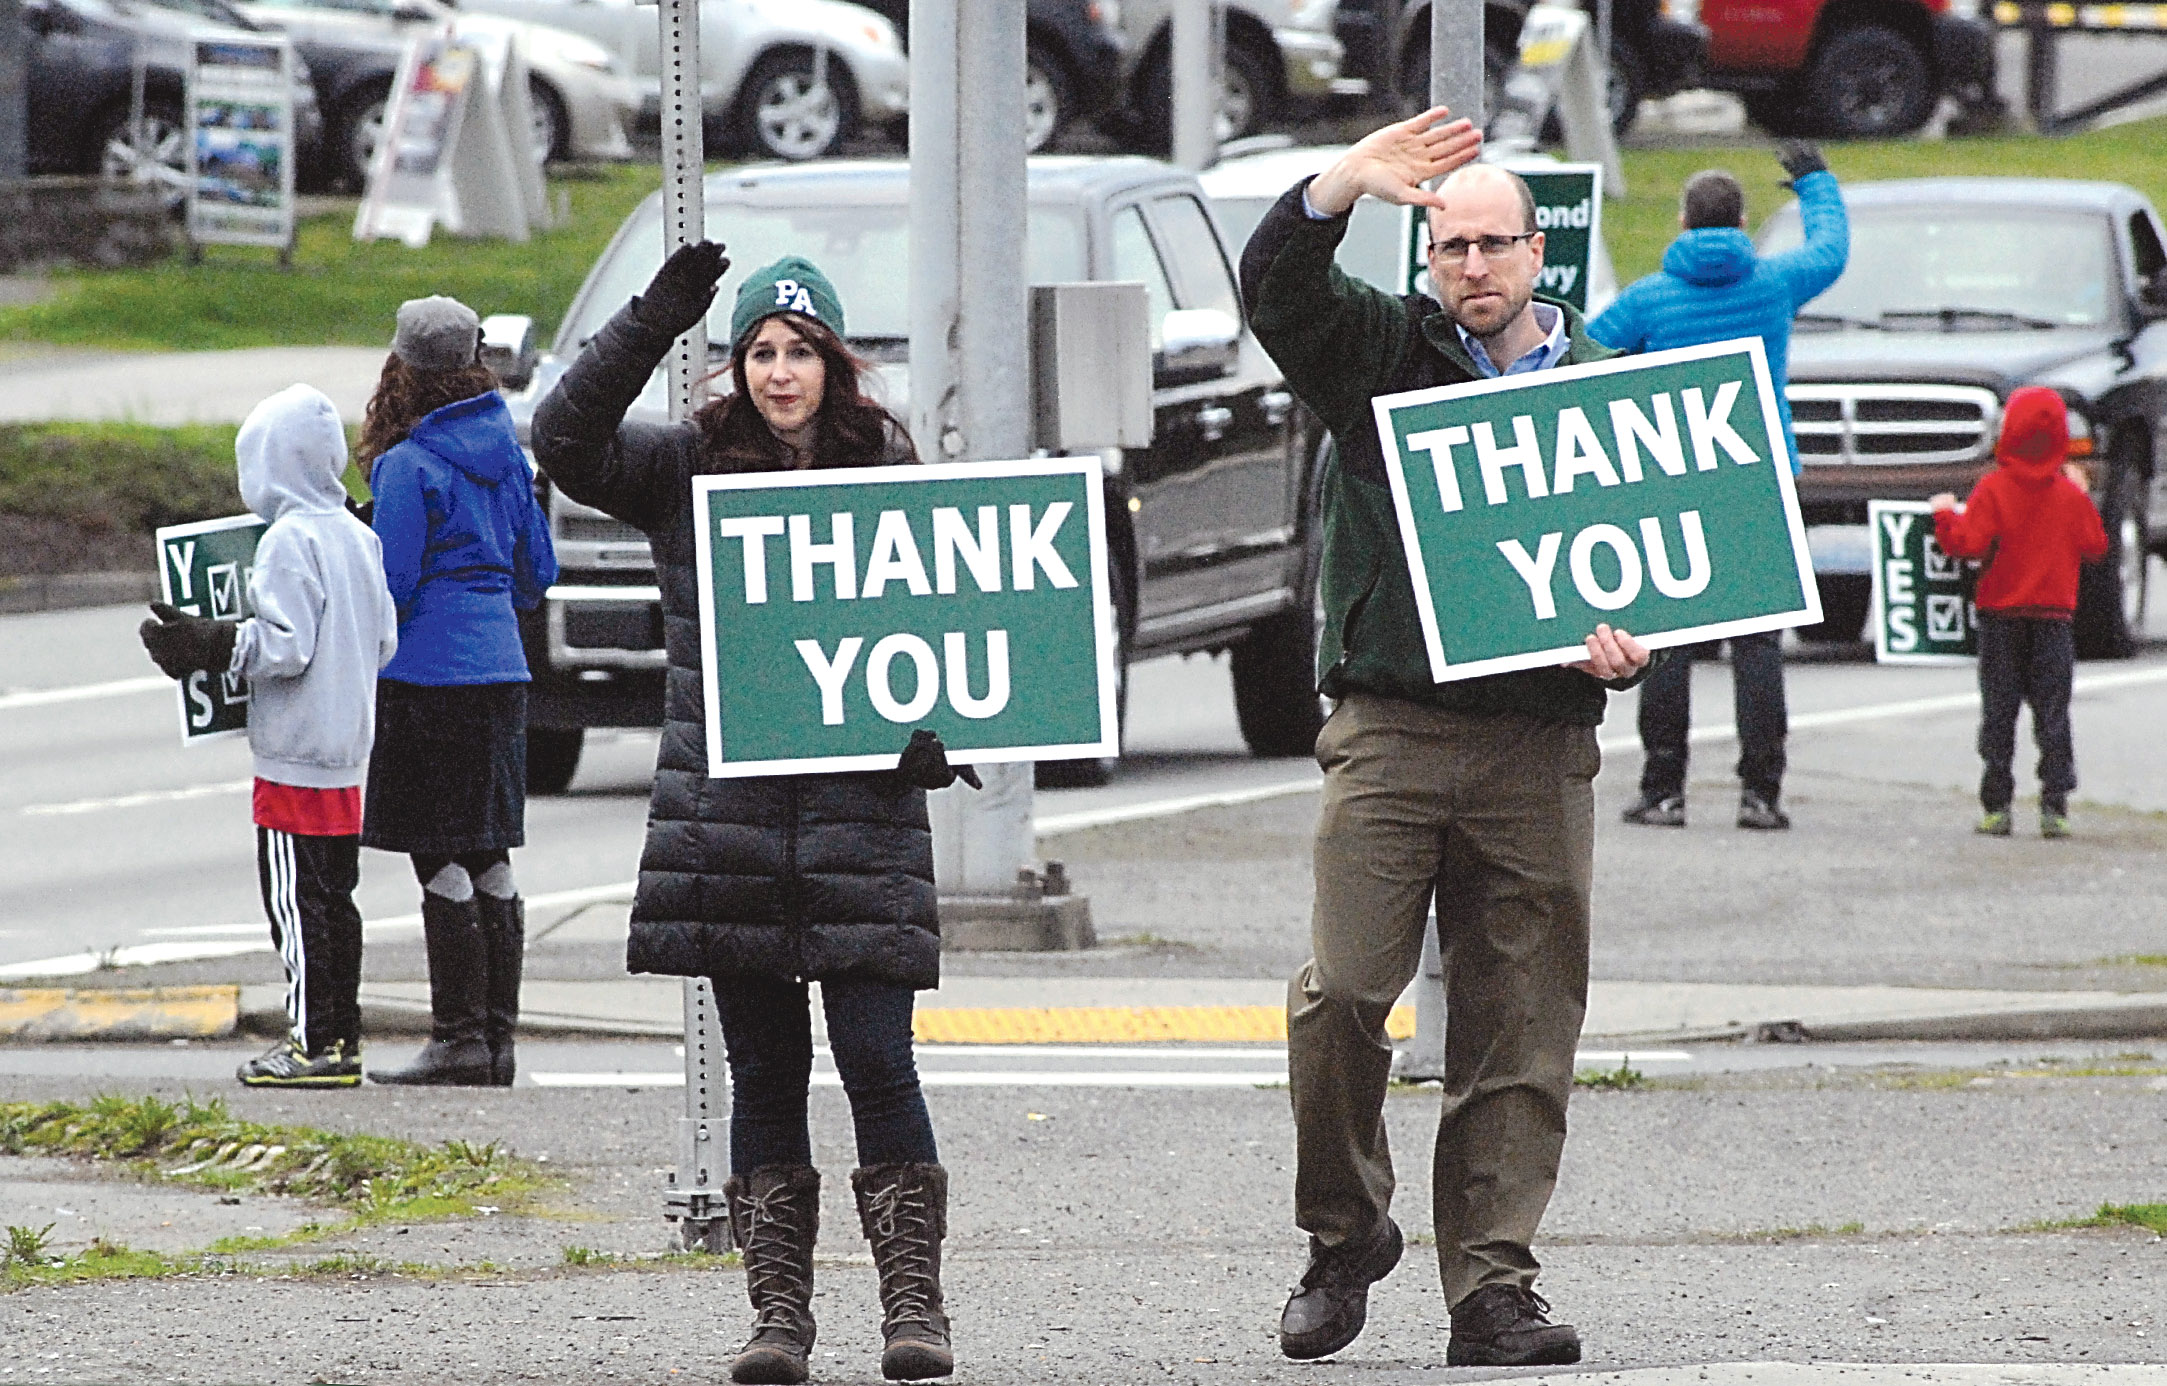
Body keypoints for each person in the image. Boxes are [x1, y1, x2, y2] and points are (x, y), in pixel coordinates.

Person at [1239, 107, 1653, 1369]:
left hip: (1538, 740)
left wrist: (1640, 646)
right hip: (1391, 725)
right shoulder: (1379, 356)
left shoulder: (1600, 395)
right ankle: (1343, 1231)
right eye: (1449, 248)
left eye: (1493, 246)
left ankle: (1492, 1286)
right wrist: (1340, 188)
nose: (1471, 268)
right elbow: (1274, 291)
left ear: (1539, 257)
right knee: (1343, 995)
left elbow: (1668, 564)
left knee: (1519, 1020)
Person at [532, 247, 977, 1386]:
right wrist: (647, 321)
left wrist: (936, 730)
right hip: (725, 828)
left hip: (862, 824)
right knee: (765, 1074)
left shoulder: (884, 463)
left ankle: (912, 1311)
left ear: (835, 362)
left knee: (880, 1063)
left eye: (801, 352)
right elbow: (563, 441)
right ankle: (778, 1320)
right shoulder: (686, 465)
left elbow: (946, 618)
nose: (781, 374)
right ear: (736, 366)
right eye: (760, 353)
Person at [139, 384, 399, 1087]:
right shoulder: (358, 535)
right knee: (336, 903)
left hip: (293, 754)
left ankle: (312, 1045)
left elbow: (284, 648)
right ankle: (341, 1038)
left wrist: (213, 644)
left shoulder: (289, 540)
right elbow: (384, 642)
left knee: (295, 905)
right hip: (348, 751)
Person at [1589, 143, 1848, 831]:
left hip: (1675, 482)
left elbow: (1586, 351)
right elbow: (1830, 249)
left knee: (1668, 640)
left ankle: (1663, 789)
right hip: (1758, 474)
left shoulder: (1648, 298)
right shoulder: (1773, 283)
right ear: (1738, 223)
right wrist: (1815, 183)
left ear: (1680, 221)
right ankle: (1760, 794)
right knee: (1758, 643)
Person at [358, 295, 558, 1089]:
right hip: (501, 673)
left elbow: (391, 588)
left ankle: (456, 1038)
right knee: (491, 859)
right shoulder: (509, 456)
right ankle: (496, 1043)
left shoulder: (407, 466)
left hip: (425, 678)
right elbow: (536, 576)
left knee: (437, 856)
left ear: (401, 368)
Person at [1930, 386, 2107, 838]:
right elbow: (2095, 547)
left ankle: (1997, 805)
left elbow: (1967, 546)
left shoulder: (1993, 488)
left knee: (1999, 712)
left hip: (2000, 619)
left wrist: (1945, 516)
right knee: (2052, 713)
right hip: (2054, 620)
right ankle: (2054, 806)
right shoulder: (2068, 496)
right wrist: (2083, 494)